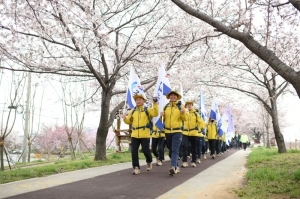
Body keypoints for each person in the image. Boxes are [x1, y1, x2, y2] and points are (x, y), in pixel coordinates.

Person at [122, 94, 158, 175]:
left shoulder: (147, 109)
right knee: (134, 152)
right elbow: (129, 121)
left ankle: (149, 161)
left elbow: (155, 113)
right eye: (137, 100)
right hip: (134, 134)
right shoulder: (132, 111)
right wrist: (125, 118)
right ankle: (136, 167)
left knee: (146, 151)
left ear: (143, 101)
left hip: (144, 134)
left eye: (140, 99)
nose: (138, 101)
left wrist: (155, 104)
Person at [161, 90, 187, 176]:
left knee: (175, 149)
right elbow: (163, 120)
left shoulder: (181, 106)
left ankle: (173, 167)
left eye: (174, 96)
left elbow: (185, 119)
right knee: (171, 150)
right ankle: (176, 166)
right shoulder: (165, 107)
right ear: (169, 97)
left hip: (177, 131)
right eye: (171, 95)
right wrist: (162, 115)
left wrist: (183, 113)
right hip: (168, 131)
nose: (173, 97)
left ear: (177, 97)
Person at [181, 101, 206, 168]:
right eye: (187, 105)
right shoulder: (184, 113)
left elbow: (200, 121)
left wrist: (202, 128)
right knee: (184, 146)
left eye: (190, 105)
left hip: (194, 132)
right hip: (185, 132)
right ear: (185, 106)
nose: (189, 106)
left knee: (193, 147)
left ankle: (193, 161)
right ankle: (184, 161)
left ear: (192, 106)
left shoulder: (195, 114)